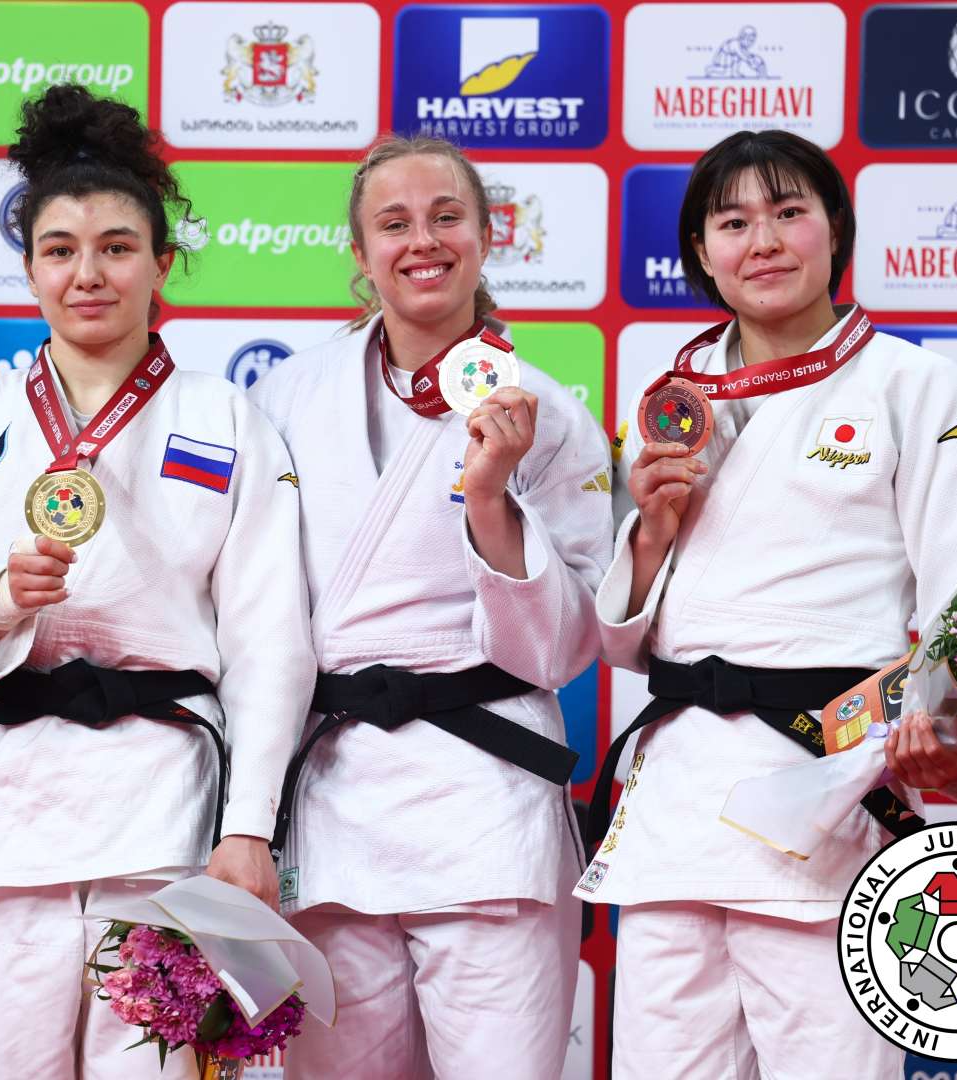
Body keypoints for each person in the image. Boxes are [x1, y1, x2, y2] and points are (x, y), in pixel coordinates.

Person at [0, 84, 313, 1080]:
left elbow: (269, 639)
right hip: (10, 818)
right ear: (28, 267)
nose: (90, 273)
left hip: (168, 815)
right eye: (62, 249)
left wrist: (250, 829)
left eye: (118, 247)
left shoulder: (226, 418)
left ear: (162, 264)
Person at [584, 129, 957, 1078]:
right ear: (702, 254)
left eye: (790, 213)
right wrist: (654, 530)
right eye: (735, 221)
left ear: (836, 228)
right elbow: (621, 633)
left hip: (827, 787)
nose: (766, 241)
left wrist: (938, 718)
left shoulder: (917, 384)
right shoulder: (670, 400)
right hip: (678, 806)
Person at [248, 134, 612, 1080]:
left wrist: (490, 498)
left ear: (488, 237)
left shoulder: (549, 412)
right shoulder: (285, 398)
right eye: (394, 223)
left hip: (485, 801)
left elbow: (567, 646)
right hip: (333, 806)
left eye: (447, 217)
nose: (424, 242)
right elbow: (251, 608)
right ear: (361, 254)